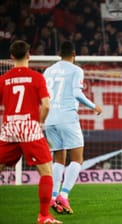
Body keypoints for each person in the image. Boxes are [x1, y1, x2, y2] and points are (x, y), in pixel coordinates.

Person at [0, 40, 62, 224]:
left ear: (11, 57)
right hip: (29, 127)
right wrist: (40, 123)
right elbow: (46, 105)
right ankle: (44, 216)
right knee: (46, 172)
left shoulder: (3, 79)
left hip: (9, 127)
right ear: (29, 55)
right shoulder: (36, 77)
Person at [43, 40, 103, 214]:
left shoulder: (48, 70)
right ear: (74, 54)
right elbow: (76, 93)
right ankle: (64, 195)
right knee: (77, 158)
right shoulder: (76, 70)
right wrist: (94, 106)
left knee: (58, 158)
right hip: (67, 117)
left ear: (59, 54)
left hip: (49, 119)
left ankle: (53, 197)